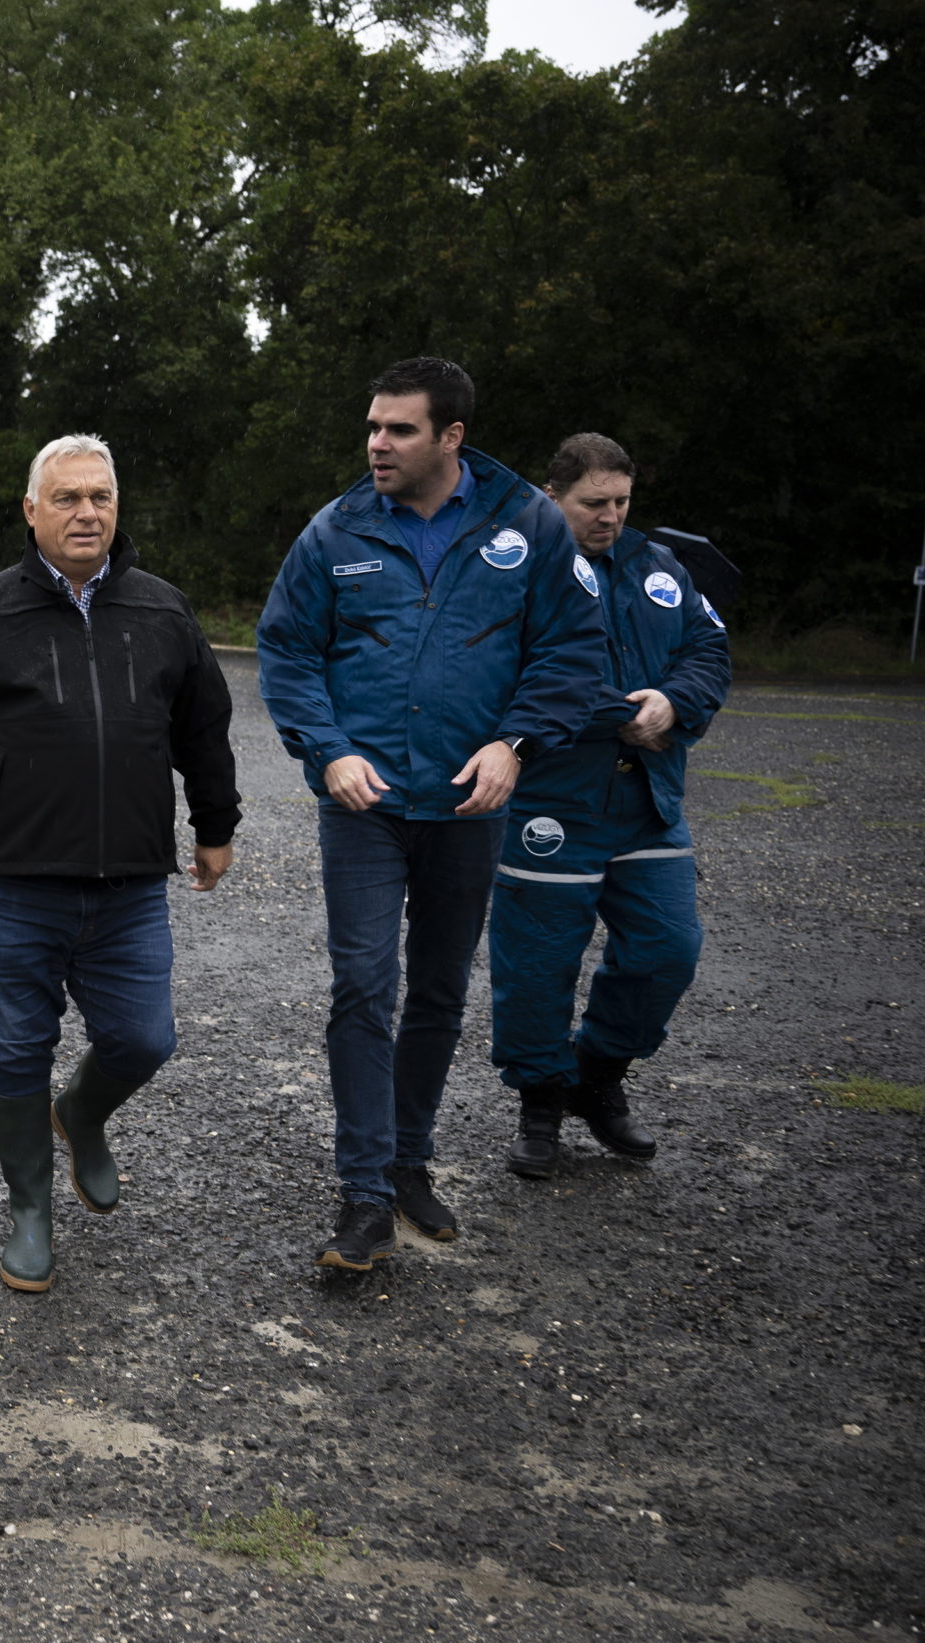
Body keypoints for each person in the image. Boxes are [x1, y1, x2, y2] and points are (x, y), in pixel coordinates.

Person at [256, 357, 609, 1272]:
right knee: (363, 984)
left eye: (400, 429)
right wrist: (328, 750)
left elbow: (571, 646)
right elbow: (286, 650)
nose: (378, 443)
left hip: (467, 804)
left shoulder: (527, 522)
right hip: (364, 804)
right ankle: (365, 1193)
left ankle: (408, 1159)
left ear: (451, 436)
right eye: (373, 426)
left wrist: (514, 742)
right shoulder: (336, 530)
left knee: (441, 991)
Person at [0, 434, 241, 1292]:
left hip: (129, 882)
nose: (87, 513)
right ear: (31, 509)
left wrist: (215, 823)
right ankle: (30, 1210)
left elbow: (203, 727)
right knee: (17, 1047)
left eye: (100, 497)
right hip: (14, 881)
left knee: (144, 1037)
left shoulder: (162, 610)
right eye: (68, 498)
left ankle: (80, 1112)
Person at [489, 433, 731, 1177]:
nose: (611, 516)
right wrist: (619, 711)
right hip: (551, 799)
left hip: (647, 795)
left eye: (622, 501)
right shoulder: (511, 567)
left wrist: (673, 702)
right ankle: (539, 1102)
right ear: (552, 496)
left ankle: (595, 1077)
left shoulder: (660, 566)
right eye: (594, 503)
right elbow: (503, 670)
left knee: (668, 949)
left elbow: (708, 650)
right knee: (537, 964)